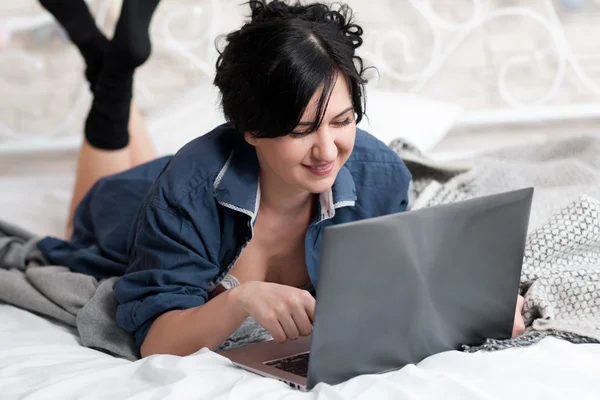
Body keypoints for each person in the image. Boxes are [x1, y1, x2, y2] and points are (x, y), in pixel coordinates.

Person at [37, 0, 526, 358]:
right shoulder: (183, 197)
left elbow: (406, 274)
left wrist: (479, 302)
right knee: (83, 214)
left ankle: (110, 63)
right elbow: (156, 343)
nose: (327, 151)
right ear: (250, 128)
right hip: (135, 202)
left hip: (199, 174)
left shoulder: (379, 177)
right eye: (300, 130)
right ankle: (109, 72)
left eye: (342, 120)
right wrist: (238, 302)